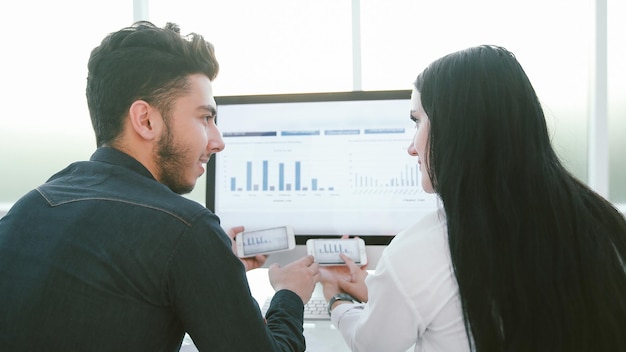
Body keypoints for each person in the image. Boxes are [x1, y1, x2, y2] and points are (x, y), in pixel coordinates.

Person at [0, 21, 320, 352]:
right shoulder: (186, 229)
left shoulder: (28, 207)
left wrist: (212, 267)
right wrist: (289, 294)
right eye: (204, 118)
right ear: (146, 120)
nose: (218, 141)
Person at [320, 45, 626, 351]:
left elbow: (372, 345)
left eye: (417, 121)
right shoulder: (603, 221)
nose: (412, 147)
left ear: (454, 130)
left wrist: (337, 300)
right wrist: (390, 294)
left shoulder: (419, 253)